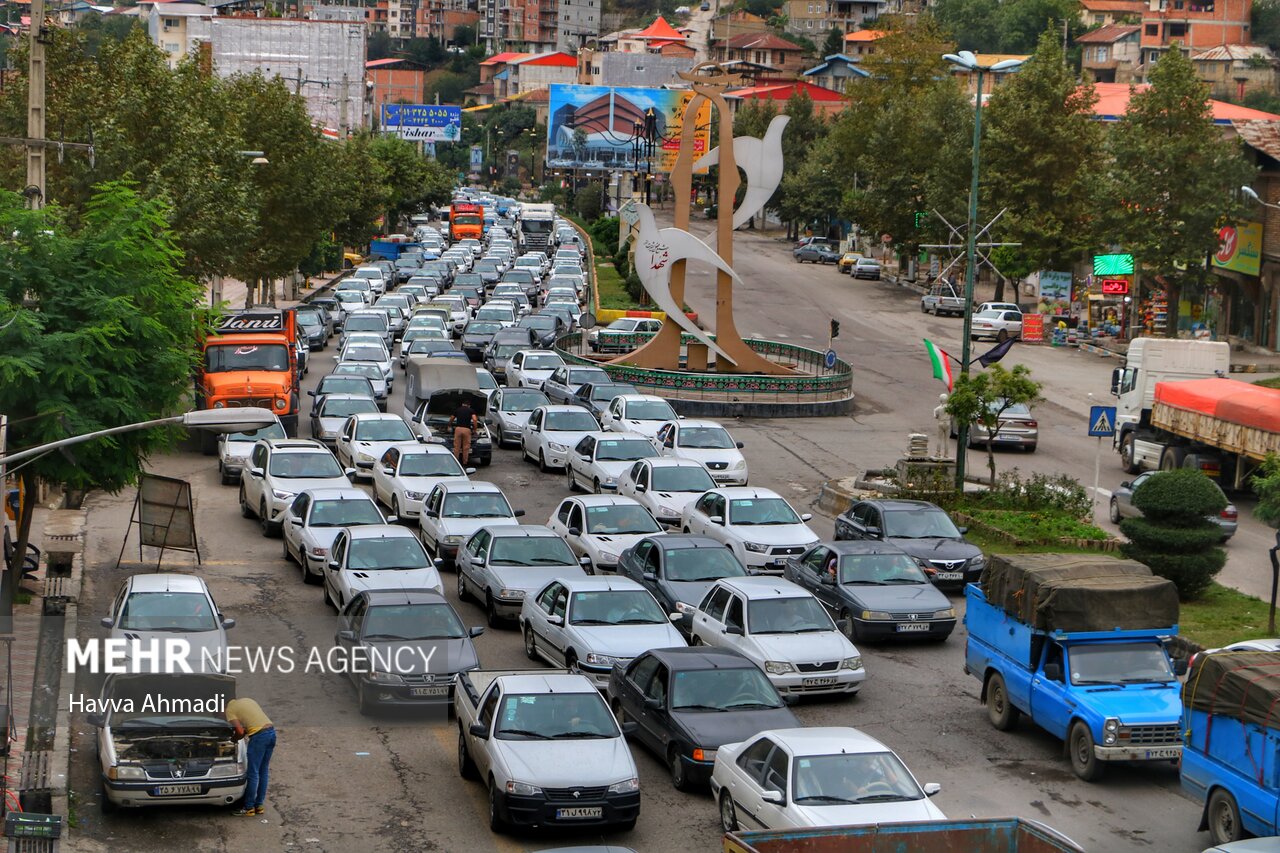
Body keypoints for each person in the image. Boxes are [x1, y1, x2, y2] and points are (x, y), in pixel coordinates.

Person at [227, 697, 276, 817]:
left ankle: (249, 807)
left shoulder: (229, 710)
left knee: (252, 773)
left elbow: (239, 731)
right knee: (263, 771)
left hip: (259, 737)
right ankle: (259, 806)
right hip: (271, 733)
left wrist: (233, 740)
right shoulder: (247, 700)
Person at [449, 399, 479, 465]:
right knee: (466, 447)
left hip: (458, 429)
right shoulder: (471, 410)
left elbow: (452, 418)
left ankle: (456, 462)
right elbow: (474, 419)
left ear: (462, 404)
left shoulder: (458, 409)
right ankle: (465, 462)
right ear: (469, 405)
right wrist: (475, 429)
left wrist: (449, 425)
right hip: (466, 430)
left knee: (456, 447)